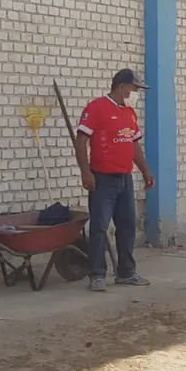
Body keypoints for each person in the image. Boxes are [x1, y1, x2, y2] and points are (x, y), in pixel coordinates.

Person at [75, 68, 154, 292]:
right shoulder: (96, 108)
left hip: (124, 179)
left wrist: (145, 170)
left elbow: (134, 145)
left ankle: (127, 272)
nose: (136, 93)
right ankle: (97, 274)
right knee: (100, 227)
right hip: (102, 179)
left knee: (127, 226)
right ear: (121, 87)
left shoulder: (129, 114)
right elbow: (81, 141)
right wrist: (85, 172)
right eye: (134, 88)